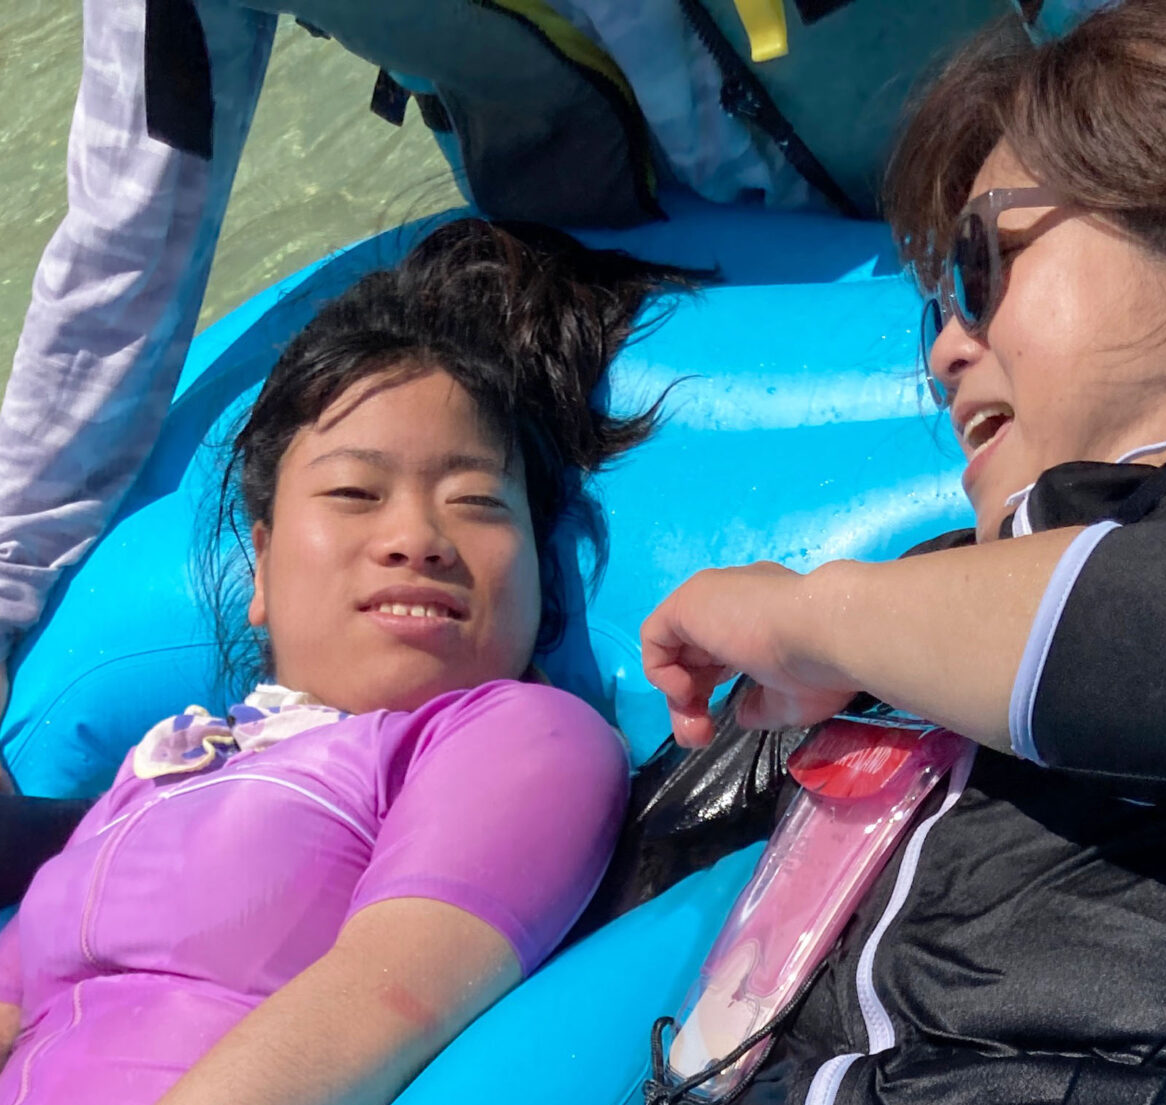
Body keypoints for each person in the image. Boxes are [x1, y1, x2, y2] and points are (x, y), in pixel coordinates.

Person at [0, 217, 696, 1105]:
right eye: (355, 492)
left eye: (477, 500)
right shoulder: (160, 767)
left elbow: (375, 994)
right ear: (261, 565)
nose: (416, 537)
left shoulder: (523, 737)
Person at [639, 2, 1166, 1101]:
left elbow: (1134, 635)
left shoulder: (861, 617)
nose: (942, 354)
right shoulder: (916, 603)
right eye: (935, 309)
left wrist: (815, 619)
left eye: (979, 269)